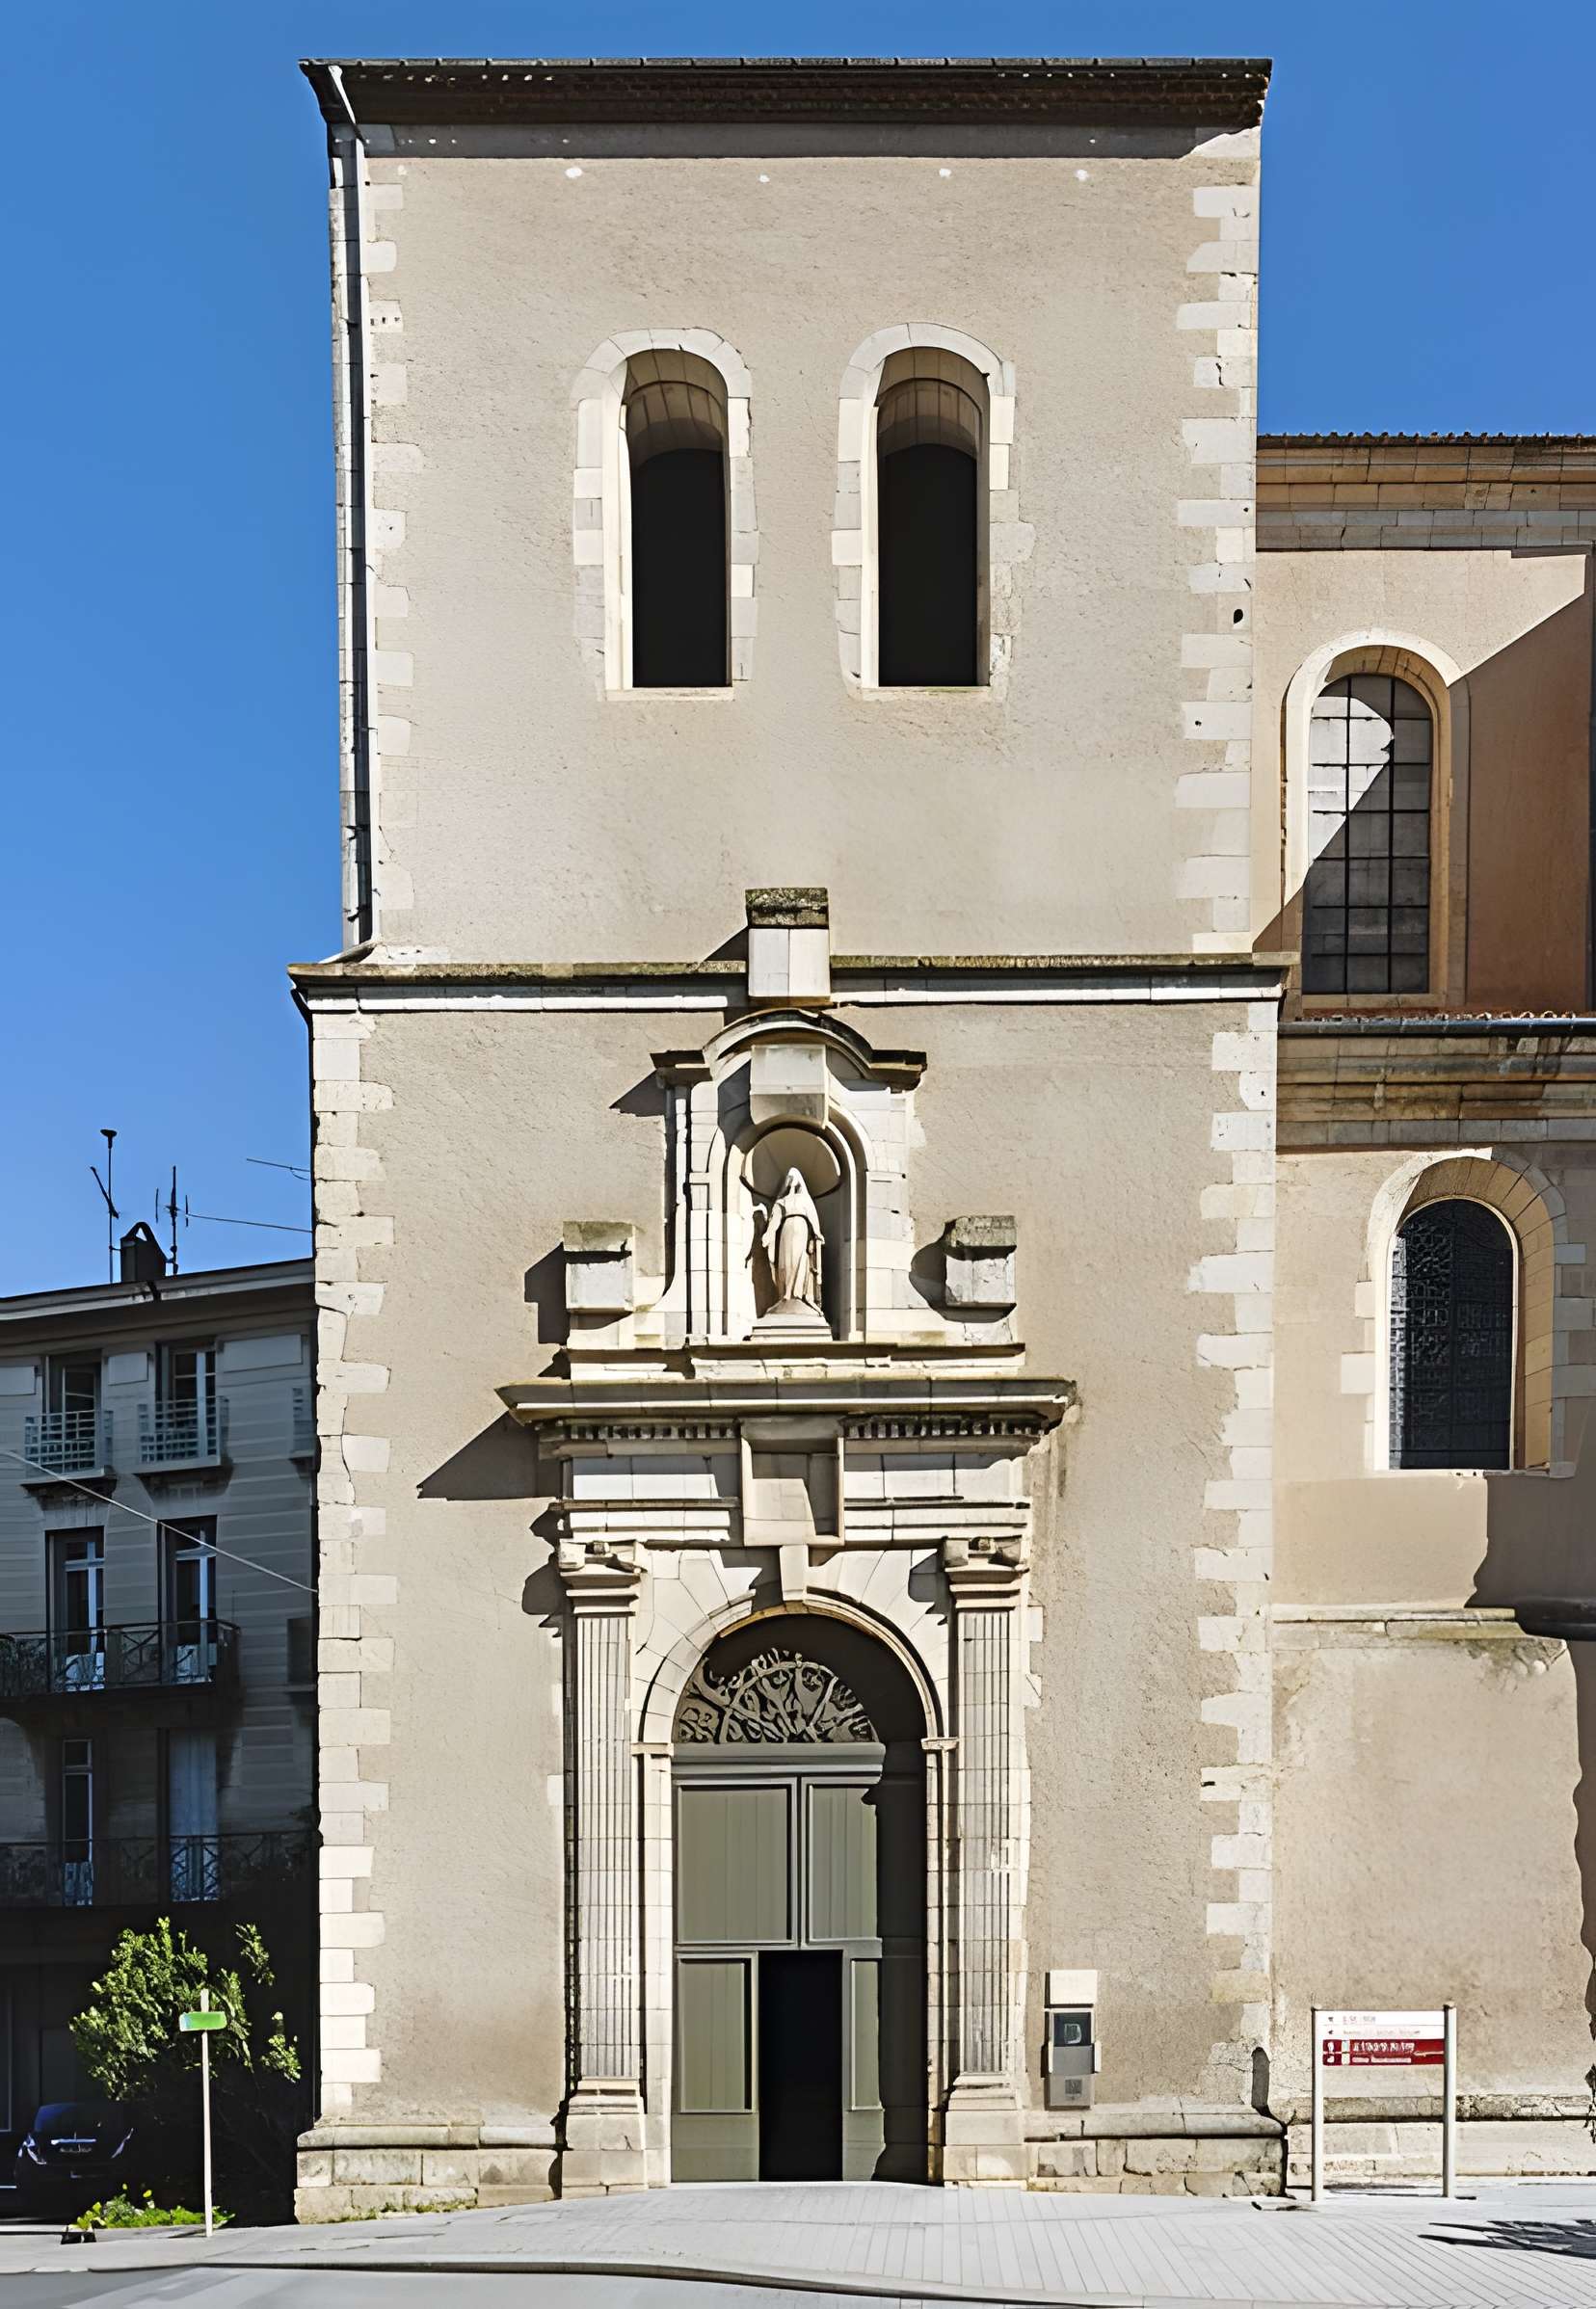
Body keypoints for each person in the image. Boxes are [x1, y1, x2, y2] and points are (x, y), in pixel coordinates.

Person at [759, 1167, 824, 1311]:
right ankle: (785, 1294)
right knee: (785, 1262)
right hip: (786, 1230)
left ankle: (797, 1294)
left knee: (798, 1259)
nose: (790, 1179)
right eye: (788, 1177)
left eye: (793, 1176)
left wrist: (817, 1233)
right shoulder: (782, 1201)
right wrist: (768, 1234)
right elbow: (775, 1220)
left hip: (801, 1229)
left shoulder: (805, 1199)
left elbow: (813, 1217)